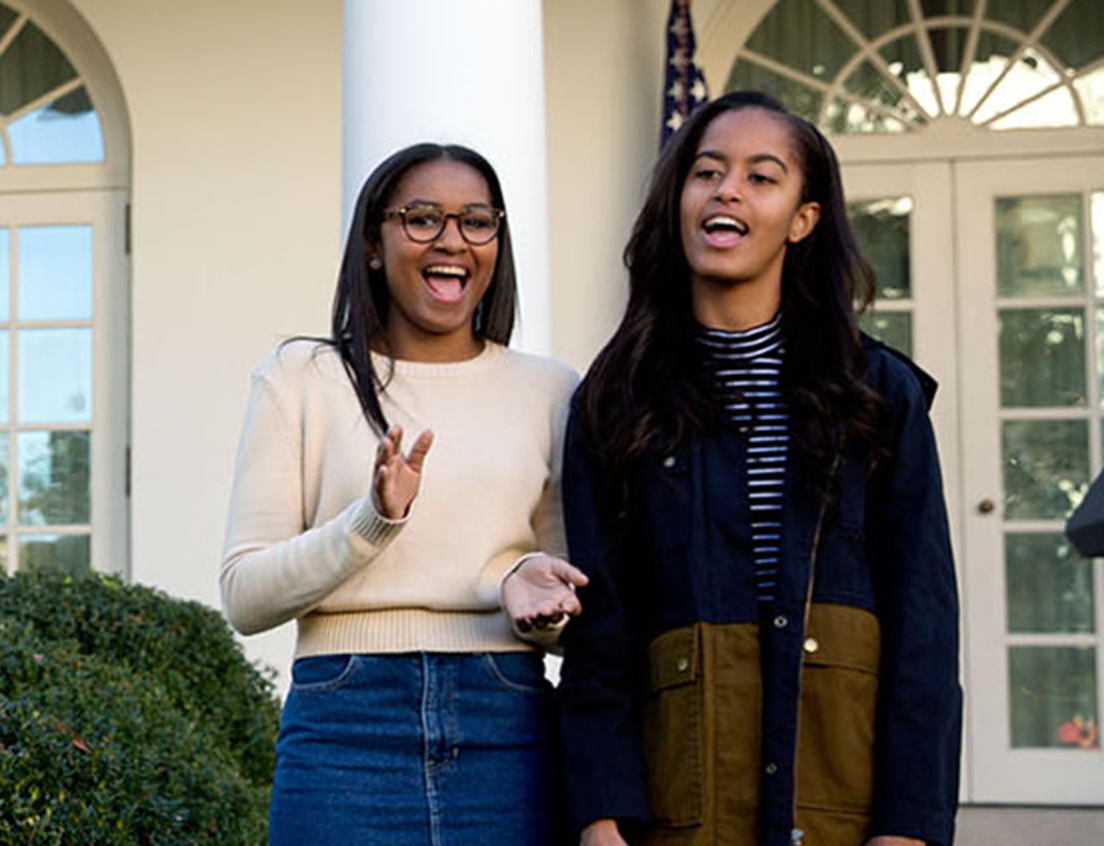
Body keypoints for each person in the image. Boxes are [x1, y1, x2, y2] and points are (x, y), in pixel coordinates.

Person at [556, 91, 962, 846]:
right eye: (706, 172)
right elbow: (600, 634)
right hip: (682, 808)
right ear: (678, 201)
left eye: (761, 176)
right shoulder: (616, 402)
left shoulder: (878, 395)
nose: (727, 191)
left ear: (803, 220)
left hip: (840, 804)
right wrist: (600, 818)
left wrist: (910, 826)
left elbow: (924, 630)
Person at [220, 142, 585, 845]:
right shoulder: (301, 378)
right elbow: (245, 596)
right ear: (373, 247)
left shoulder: (550, 391)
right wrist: (373, 521)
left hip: (508, 720)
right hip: (343, 728)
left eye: (477, 221)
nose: (452, 240)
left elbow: (574, 615)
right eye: (421, 218)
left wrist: (531, 597)